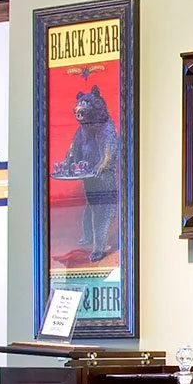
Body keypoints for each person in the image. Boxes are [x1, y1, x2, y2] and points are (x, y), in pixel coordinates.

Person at [53, 82, 120, 263]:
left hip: (104, 181)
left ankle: (99, 248)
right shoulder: (83, 129)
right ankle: (88, 238)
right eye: (80, 104)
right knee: (90, 210)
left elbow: (109, 152)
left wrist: (102, 164)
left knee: (103, 213)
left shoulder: (106, 128)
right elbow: (74, 149)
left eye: (86, 104)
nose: (80, 108)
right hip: (89, 180)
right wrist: (68, 161)